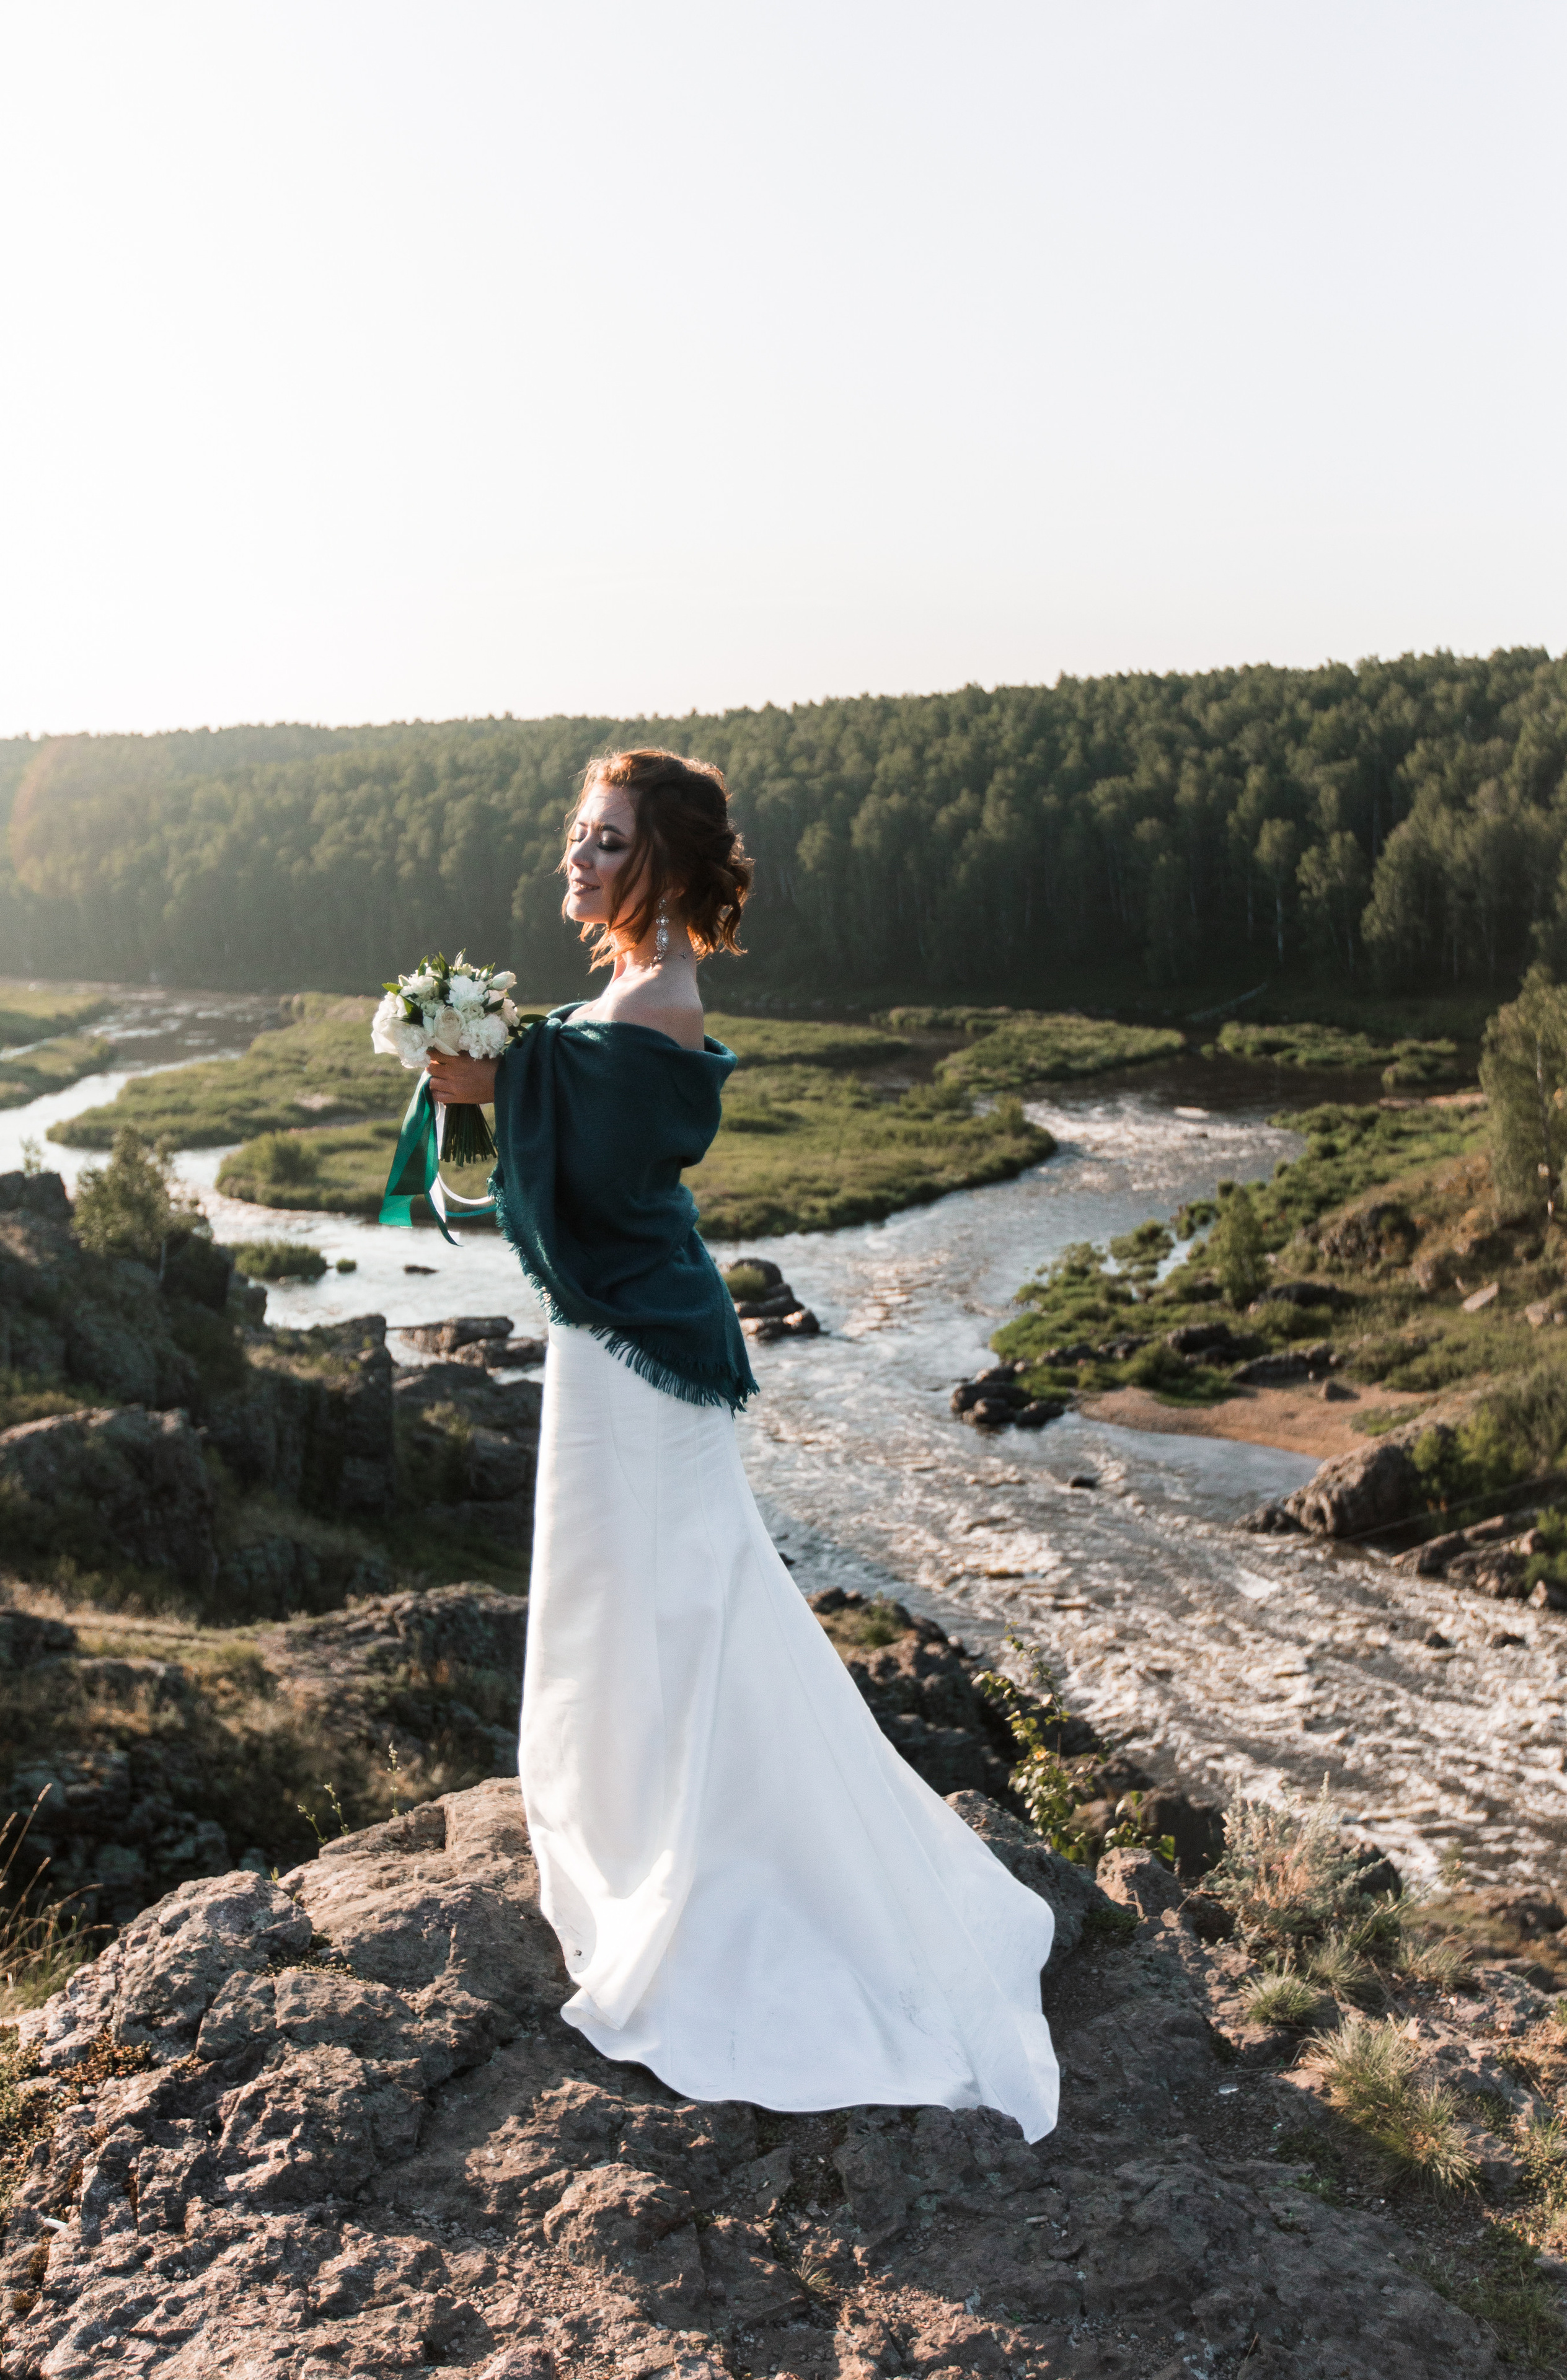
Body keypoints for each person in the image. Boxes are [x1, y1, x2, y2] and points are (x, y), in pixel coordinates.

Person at [425, 746, 1060, 2140]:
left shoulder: (656, 996)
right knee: (630, 1586)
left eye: (602, 842)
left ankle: (711, 1865)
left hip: (646, 1347)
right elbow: (571, 1132)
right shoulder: (617, 990)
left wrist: (493, 1083)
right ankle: (646, 1820)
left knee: (682, 1594)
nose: (576, 862)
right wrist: (503, 1071)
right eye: (576, 838)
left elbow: (597, 1166)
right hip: (616, 1336)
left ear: (658, 861)